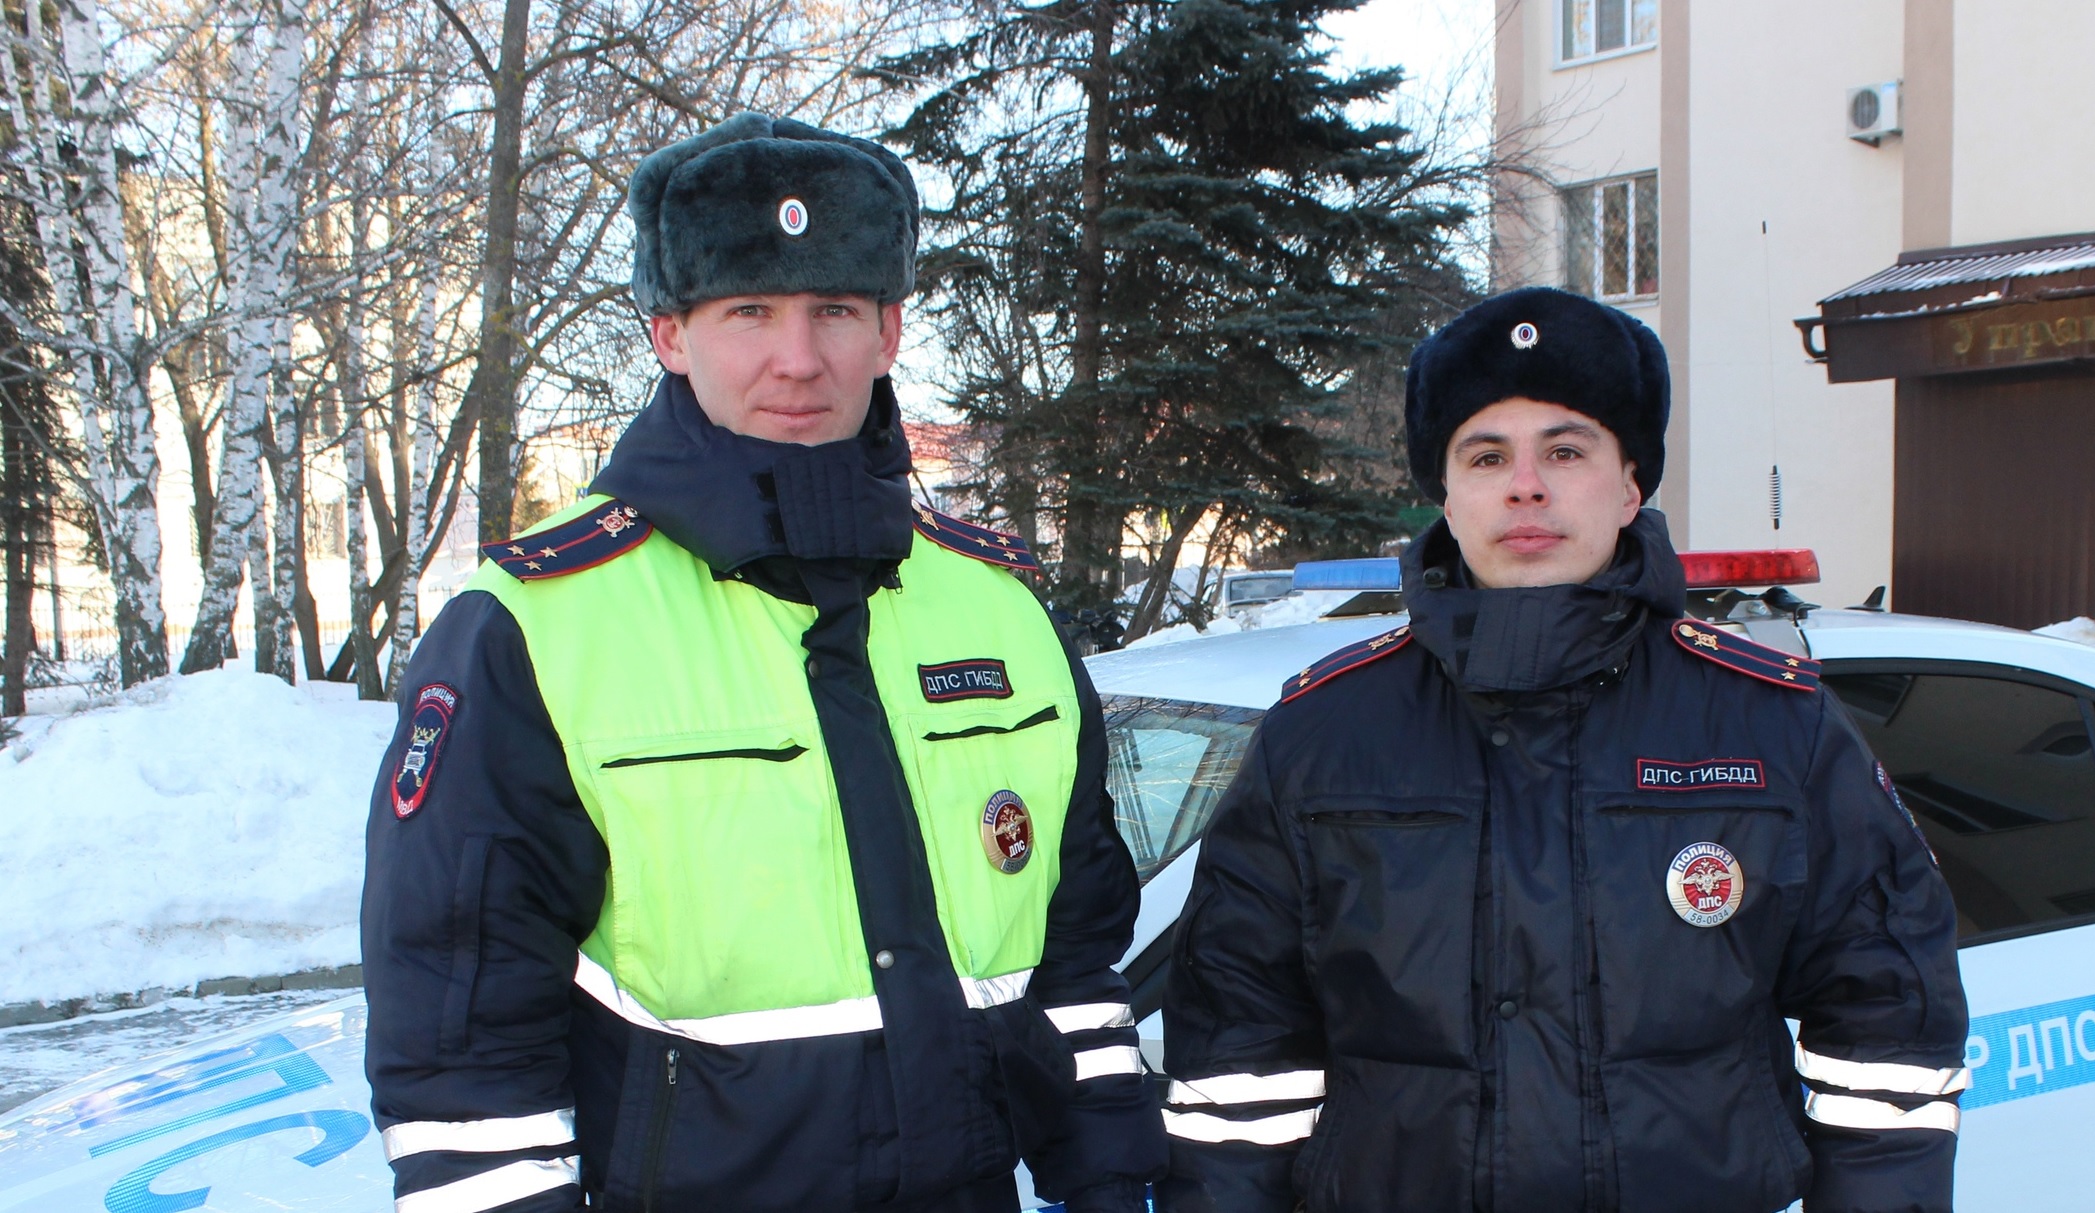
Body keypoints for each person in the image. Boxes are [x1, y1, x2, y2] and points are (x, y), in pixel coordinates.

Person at [361, 114, 1164, 1213]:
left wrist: (1114, 1186)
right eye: (749, 310)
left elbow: (1073, 967)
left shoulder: (1002, 606)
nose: (799, 357)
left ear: (887, 330)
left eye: (834, 308)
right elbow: (459, 1047)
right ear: (670, 335)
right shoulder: (531, 627)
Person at [1158, 287, 1969, 1213]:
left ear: (1629, 485)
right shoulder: (1323, 734)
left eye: (1566, 449)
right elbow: (1237, 1049)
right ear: (1447, 493)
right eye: (1486, 454)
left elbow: (1886, 1018)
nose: (1526, 484)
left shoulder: (1772, 725)